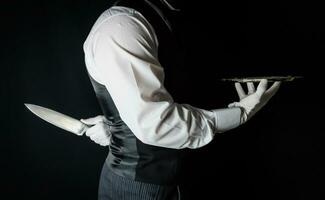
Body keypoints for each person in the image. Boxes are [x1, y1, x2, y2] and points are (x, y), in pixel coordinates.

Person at [81, 0, 281, 199]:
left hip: (188, 177)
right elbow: (154, 124)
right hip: (137, 188)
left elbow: (171, 93)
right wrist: (238, 114)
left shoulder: (166, 15)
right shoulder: (120, 27)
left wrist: (117, 125)